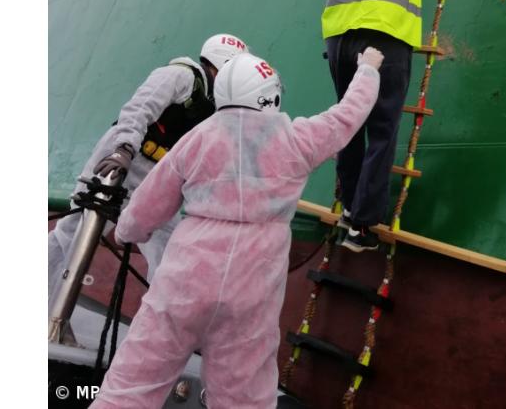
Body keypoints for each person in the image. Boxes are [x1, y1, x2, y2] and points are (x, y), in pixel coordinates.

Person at [90, 49, 384, 409]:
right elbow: (347, 117)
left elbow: (147, 205)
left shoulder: (197, 139)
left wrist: (125, 234)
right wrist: (367, 69)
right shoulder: (297, 138)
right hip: (252, 293)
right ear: (270, 94)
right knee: (243, 397)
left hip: (184, 285)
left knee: (131, 387)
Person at [320, 0, 476, 252]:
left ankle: (348, 210)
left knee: (348, 123)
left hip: (339, 38)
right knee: (382, 130)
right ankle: (361, 226)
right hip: (385, 37)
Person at [47, 34, 249, 306]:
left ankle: (158, 327)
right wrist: (123, 150)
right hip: (121, 164)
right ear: (222, 65)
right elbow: (138, 110)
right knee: (73, 234)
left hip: (159, 180)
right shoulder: (179, 76)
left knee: (170, 251)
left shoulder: (215, 105)